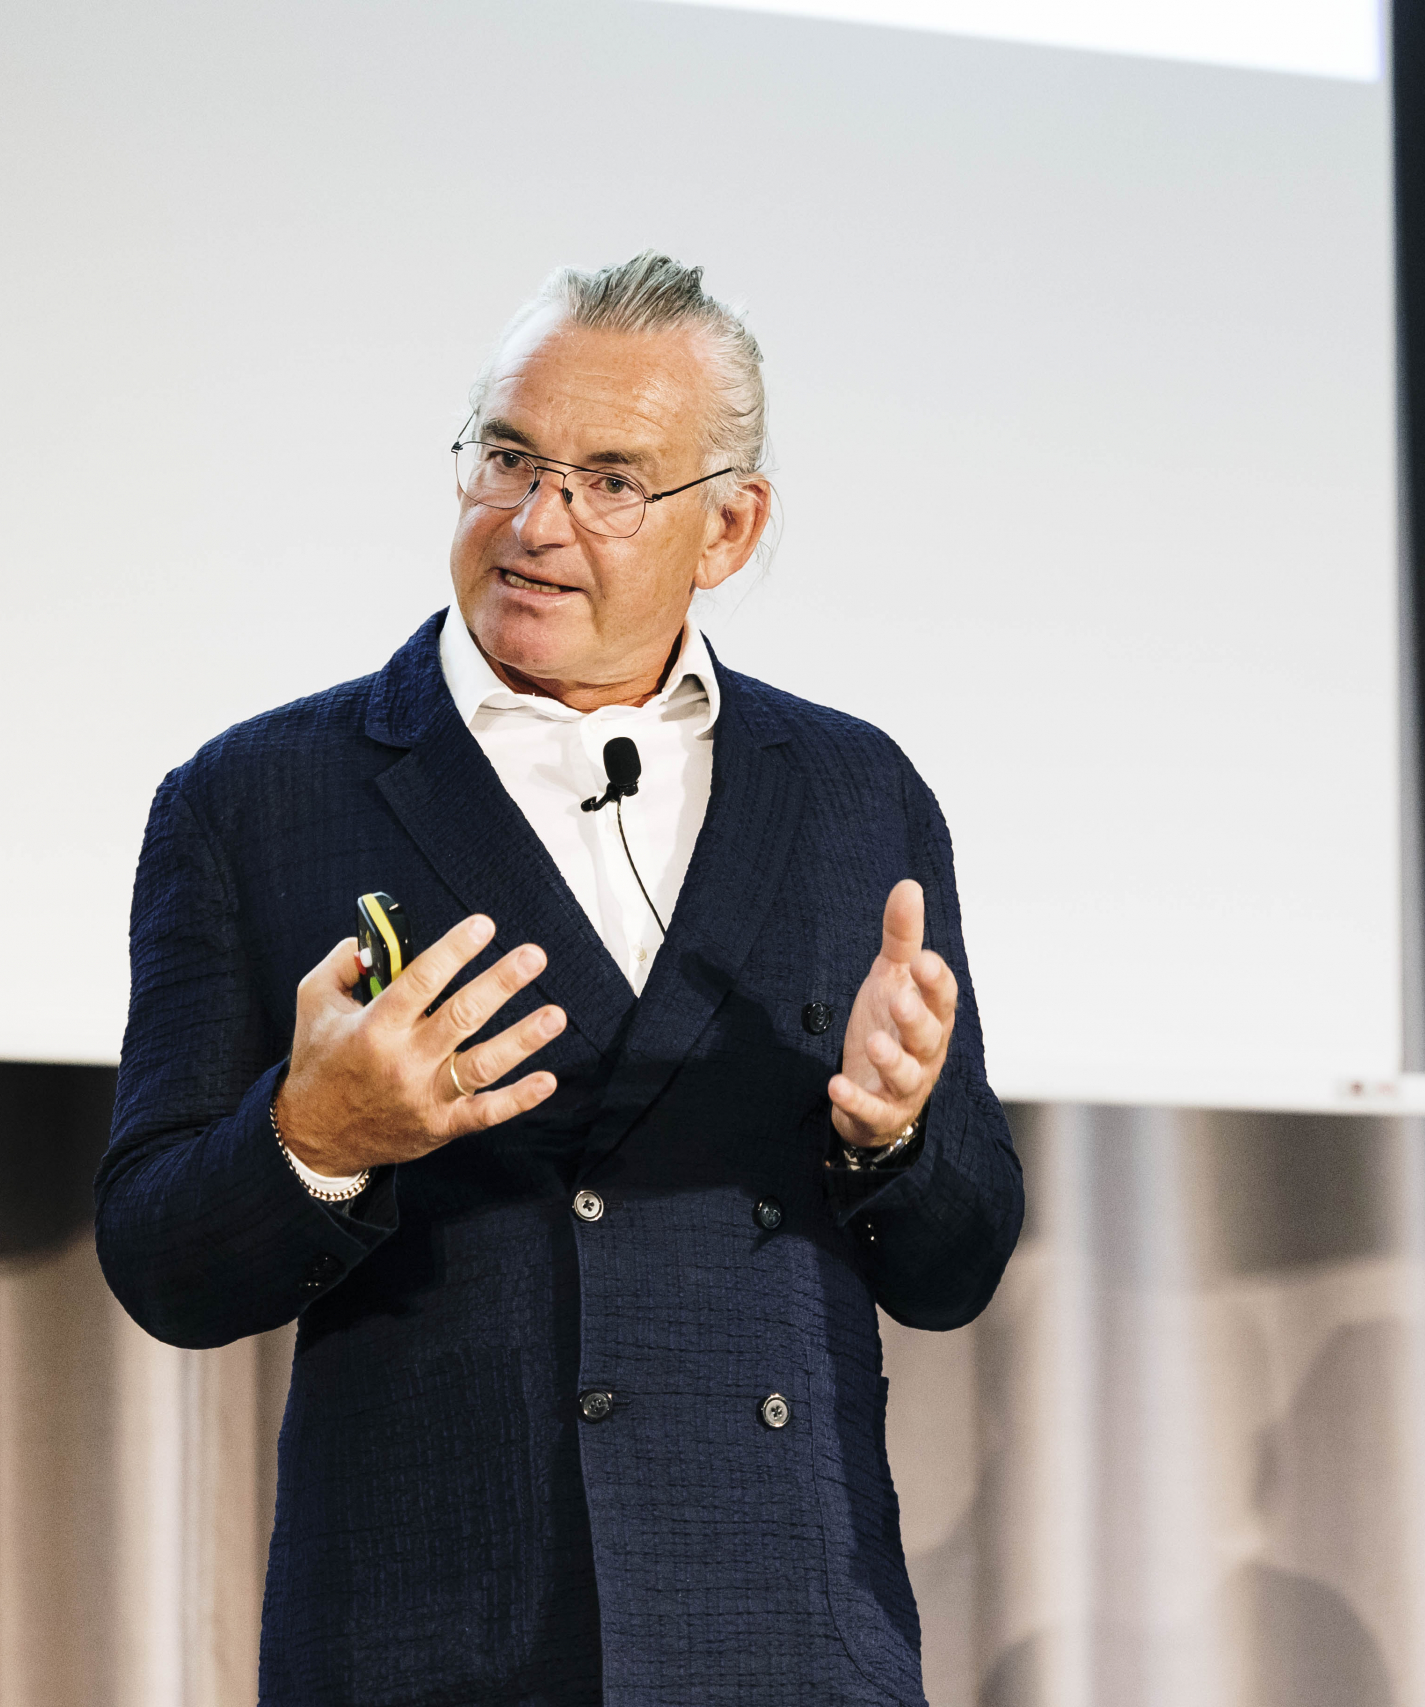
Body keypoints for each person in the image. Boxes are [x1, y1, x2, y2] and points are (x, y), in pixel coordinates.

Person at [95, 252, 1022, 1705]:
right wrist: (312, 1141)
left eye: (609, 480)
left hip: (782, 1627)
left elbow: (959, 1267)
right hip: (433, 1633)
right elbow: (159, 1261)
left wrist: (895, 1129)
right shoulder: (258, 795)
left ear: (731, 526)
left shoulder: (853, 794)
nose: (536, 522)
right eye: (508, 458)